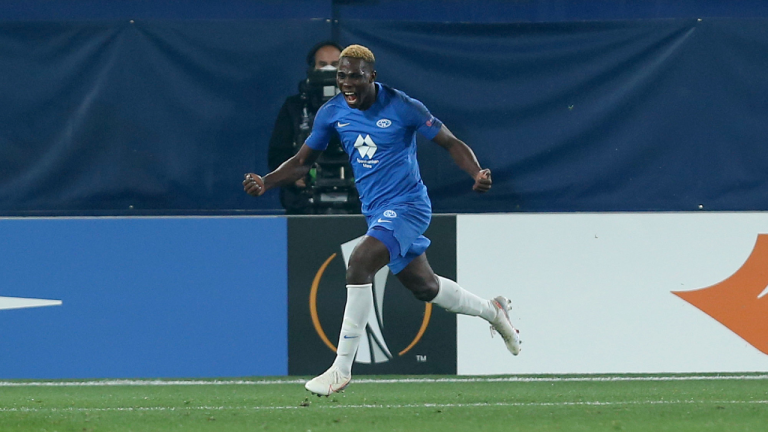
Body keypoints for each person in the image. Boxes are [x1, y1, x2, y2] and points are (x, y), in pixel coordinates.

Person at [244, 44, 521, 396]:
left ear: (372, 76)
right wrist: (266, 181)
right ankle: (493, 310)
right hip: (377, 211)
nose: (346, 83)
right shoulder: (331, 113)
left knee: (360, 262)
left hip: (408, 205)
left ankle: (340, 369)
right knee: (426, 287)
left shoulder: (403, 107)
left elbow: (450, 143)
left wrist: (476, 172)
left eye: (355, 76)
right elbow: (301, 162)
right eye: (341, 76)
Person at [267, 41, 359, 214]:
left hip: (359, 207)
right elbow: (277, 154)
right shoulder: (294, 107)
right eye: (323, 65)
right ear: (312, 68)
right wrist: (292, 176)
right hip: (305, 206)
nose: (329, 70)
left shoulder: (366, 106)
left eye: (335, 65)